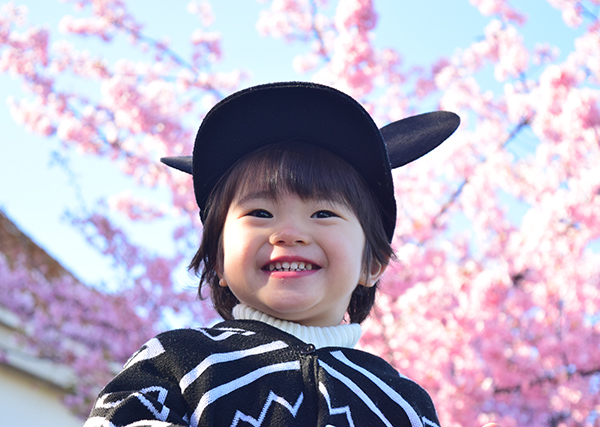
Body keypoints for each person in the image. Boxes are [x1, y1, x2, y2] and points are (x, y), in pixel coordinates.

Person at [84, 81, 463, 427]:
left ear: (373, 263)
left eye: (323, 214)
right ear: (218, 259)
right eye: (260, 213)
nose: (289, 234)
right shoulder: (177, 360)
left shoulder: (400, 401)